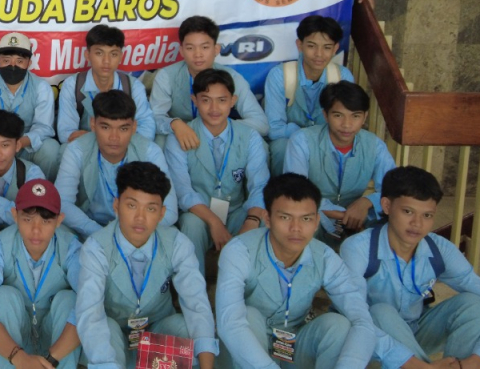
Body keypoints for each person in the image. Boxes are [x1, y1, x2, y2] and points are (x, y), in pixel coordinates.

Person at [340, 167, 480, 369]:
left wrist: (476, 362)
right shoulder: (358, 248)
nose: (417, 224)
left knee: (476, 305)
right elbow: (356, 318)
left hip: (416, 332)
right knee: (381, 312)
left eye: (427, 215)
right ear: (386, 206)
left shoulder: (440, 250)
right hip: (369, 340)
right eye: (408, 212)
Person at [214, 173, 377, 368]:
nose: (296, 228)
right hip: (246, 351)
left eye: (306, 219)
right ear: (267, 218)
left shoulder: (325, 257)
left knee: (338, 326)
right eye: (285, 217)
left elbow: (362, 320)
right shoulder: (240, 250)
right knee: (248, 316)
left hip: (292, 346)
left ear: (316, 222)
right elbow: (230, 323)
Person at [75, 161, 219, 369]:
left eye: (151, 208)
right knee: (103, 327)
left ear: (162, 213)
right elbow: (90, 314)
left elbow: (196, 303)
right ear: (116, 206)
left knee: (186, 328)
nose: (140, 218)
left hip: (156, 328)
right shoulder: (96, 247)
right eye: (132, 205)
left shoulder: (177, 244)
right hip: (115, 334)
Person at [165, 69, 270, 269]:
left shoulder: (249, 136)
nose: (214, 108)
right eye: (206, 100)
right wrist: (214, 221)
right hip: (200, 213)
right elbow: (183, 191)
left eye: (222, 100)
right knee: (190, 223)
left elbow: (260, 185)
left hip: (235, 211)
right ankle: (195, 284)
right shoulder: (178, 138)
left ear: (233, 101)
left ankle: (252, 284)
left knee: (262, 221)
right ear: (195, 100)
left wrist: (252, 219)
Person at [0, 179, 83, 369]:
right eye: (27, 219)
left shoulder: (71, 247)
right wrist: (18, 357)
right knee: (2, 296)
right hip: (15, 342)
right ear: (15, 216)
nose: (36, 230)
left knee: (70, 300)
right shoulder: (0, 245)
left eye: (46, 221)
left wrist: (52, 359)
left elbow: (91, 302)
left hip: (55, 340)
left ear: (59, 220)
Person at [55, 91, 177, 239]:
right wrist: (100, 233)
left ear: (134, 127)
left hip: (138, 229)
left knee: (174, 236)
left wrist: (128, 233)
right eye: (106, 127)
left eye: (123, 128)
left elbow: (170, 211)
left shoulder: (149, 152)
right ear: (93, 124)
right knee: (59, 231)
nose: (114, 137)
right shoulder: (77, 150)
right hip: (90, 228)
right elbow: (63, 202)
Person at [284, 81, 394, 245]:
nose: (347, 125)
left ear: (365, 117)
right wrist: (343, 214)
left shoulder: (375, 146)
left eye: (355, 116)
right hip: (313, 213)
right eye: (338, 115)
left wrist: (366, 202)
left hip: (359, 218)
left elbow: (393, 190)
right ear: (325, 115)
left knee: (395, 219)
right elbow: (296, 190)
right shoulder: (302, 140)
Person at [149, 16, 269, 151]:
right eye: (190, 48)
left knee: (260, 144)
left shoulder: (232, 78)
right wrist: (175, 124)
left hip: (222, 135)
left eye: (205, 47)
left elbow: (261, 123)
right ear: (181, 51)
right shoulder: (166, 76)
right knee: (160, 140)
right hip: (184, 134)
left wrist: (219, 128)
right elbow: (153, 118)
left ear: (216, 49)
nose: (198, 54)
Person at [262, 15, 355, 175]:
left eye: (327, 47)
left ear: (335, 49)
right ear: (300, 45)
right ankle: (284, 191)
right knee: (282, 148)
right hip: (289, 140)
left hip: (328, 141)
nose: (319, 54)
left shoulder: (342, 77)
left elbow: (345, 124)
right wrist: (306, 137)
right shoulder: (280, 75)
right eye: (312, 46)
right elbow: (274, 129)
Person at [0, 31, 62, 177]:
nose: (13, 65)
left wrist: (20, 142)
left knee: (51, 148)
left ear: (29, 63)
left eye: (20, 61)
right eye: (6, 60)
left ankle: (41, 189)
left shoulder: (41, 87)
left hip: (24, 145)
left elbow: (44, 127)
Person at [56, 24, 158, 144]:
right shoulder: (73, 85)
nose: (106, 61)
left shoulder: (133, 86)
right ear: (87, 55)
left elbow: (147, 130)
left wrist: (109, 141)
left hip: (123, 147)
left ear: (120, 57)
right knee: (64, 150)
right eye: (99, 53)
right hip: (86, 148)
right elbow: (66, 133)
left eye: (113, 54)